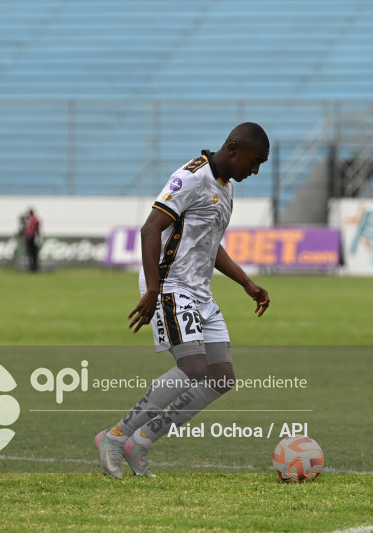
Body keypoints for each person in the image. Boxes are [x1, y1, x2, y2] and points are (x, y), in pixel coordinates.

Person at [95, 123, 271, 478]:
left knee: (221, 378)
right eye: (254, 161)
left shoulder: (227, 187)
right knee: (193, 367)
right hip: (170, 285)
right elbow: (150, 228)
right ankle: (114, 437)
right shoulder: (191, 177)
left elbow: (209, 245)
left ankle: (141, 442)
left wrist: (246, 283)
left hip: (200, 291)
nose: (255, 170)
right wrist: (152, 290)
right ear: (233, 149)